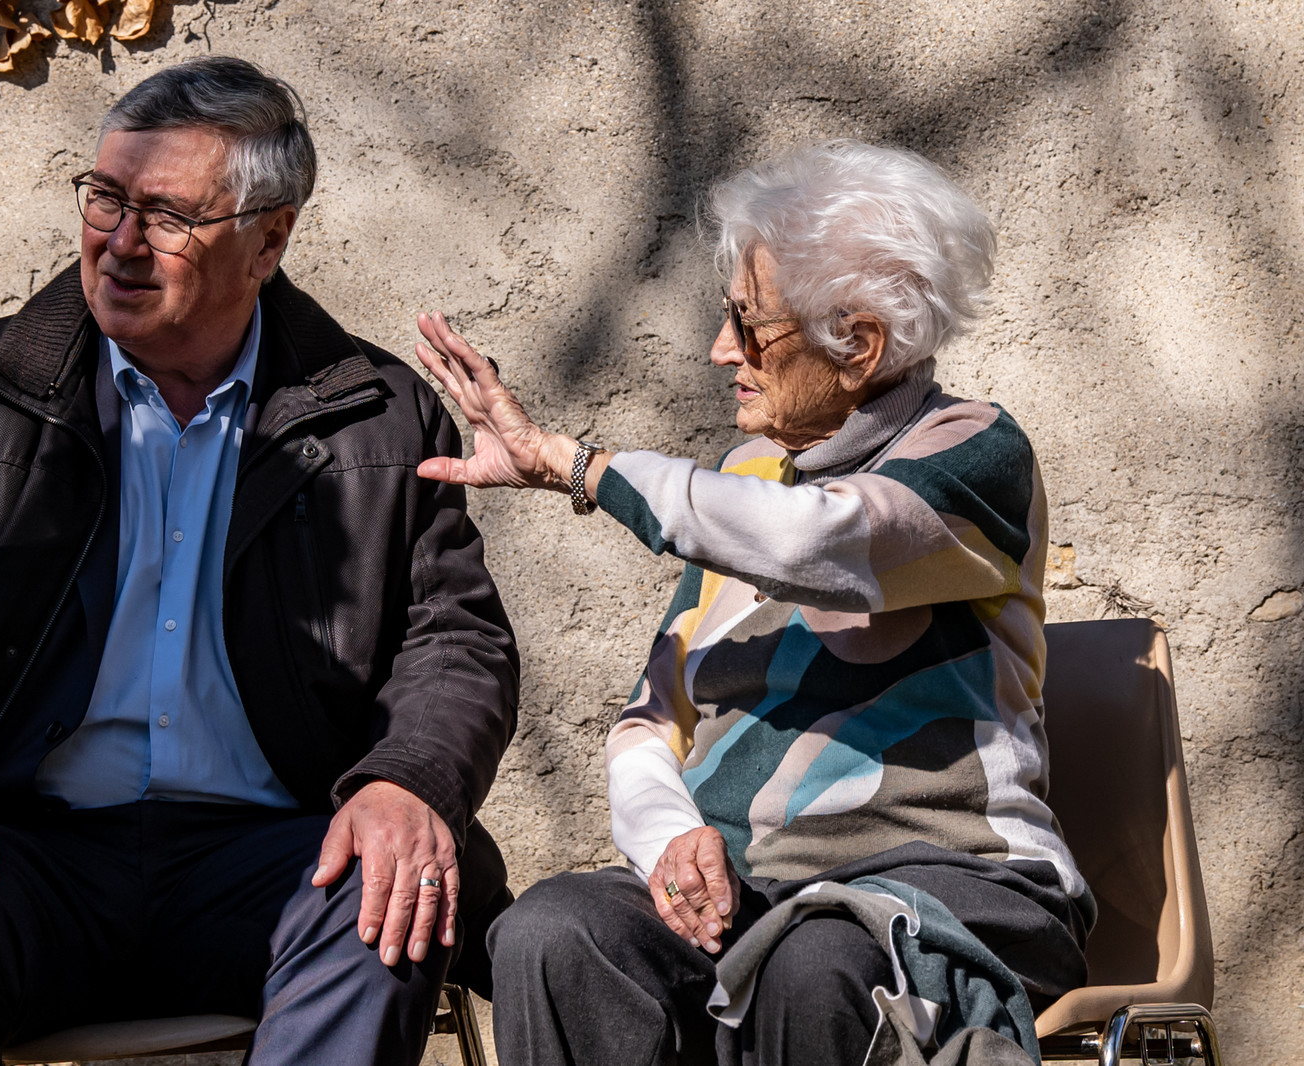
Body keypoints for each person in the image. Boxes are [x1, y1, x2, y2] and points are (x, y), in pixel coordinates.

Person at [0, 57, 518, 1066]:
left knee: (379, 909)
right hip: (16, 844)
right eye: (104, 198)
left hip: (270, 848)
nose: (119, 242)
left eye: (164, 215)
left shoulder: (377, 412)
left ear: (271, 237)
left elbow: (453, 639)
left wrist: (406, 781)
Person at [412, 141, 1093, 1065]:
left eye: (748, 322)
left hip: (945, 886)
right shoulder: (746, 481)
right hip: (754, 893)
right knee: (552, 930)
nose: (720, 348)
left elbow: (817, 542)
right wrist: (671, 836)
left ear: (859, 343)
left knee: (814, 966)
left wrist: (579, 468)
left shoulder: (971, 454)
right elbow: (648, 723)